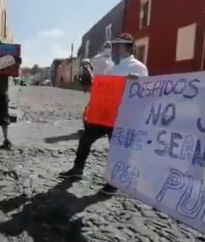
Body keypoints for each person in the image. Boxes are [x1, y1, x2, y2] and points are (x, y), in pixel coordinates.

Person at [62, 34, 149, 191]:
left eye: (118, 45)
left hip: (122, 116)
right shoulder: (112, 66)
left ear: (128, 47)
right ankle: (77, 169)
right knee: (85, 140)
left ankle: (114, 182)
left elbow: (143, 90)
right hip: (103, 113)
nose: (114, 48)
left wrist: (136, 81)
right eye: (114, 45)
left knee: (118, 149)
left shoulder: (138, 67)